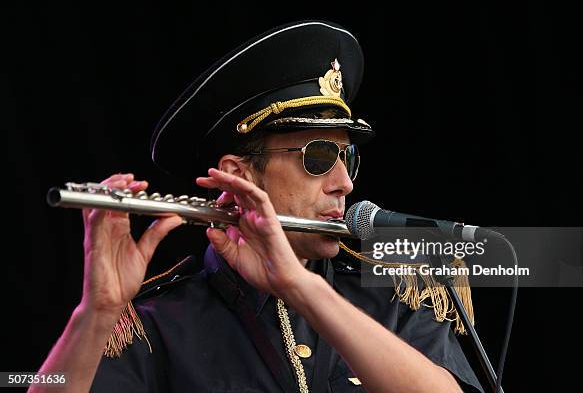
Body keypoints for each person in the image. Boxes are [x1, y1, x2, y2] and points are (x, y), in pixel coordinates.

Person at [31, 20, 483, 392]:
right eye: (319, 158)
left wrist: (299, 287)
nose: (344, 183)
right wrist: (95, 315)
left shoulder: (392, 295)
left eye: (347, 158)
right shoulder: (160, 324)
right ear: (239, 174)